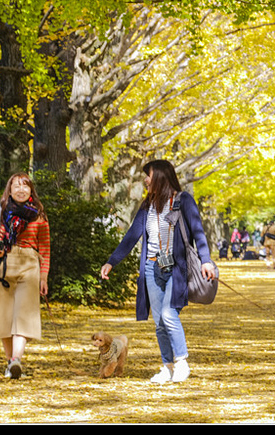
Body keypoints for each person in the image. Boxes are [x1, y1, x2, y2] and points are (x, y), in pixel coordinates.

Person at [100, 159, 217, 384]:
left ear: (161, 177)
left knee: (168, 313)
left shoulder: (183, 201)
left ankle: (182, 362)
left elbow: (198, 233)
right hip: (152, 266)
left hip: (177, 267)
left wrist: (206, 260)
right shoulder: (147, 206)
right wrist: (112, 261)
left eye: (149, 175)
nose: (145, 179)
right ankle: (168, 367)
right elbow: (132, 236)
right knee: (159, 322)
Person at [0, 173, 51, 379]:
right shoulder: (0, 212)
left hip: (29, 265)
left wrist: (44, 277)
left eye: (25, 186)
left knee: (24, 314)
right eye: (16, 186)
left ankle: (17, 359)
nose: (21, 190)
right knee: (4, 316)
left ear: (31, 190)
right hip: (4, 265)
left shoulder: (39, 215)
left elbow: (45, 248)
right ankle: (10, 364)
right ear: (9, 190)